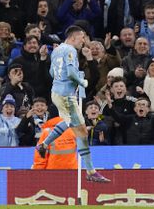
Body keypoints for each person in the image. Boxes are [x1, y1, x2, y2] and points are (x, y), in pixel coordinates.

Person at [36, 25, 110, 182]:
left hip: (57, 93)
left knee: (70, 124)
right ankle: (91, 172)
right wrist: (82, 81)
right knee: (82, 132)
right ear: (74, 37)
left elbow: (51, 73)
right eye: (82, 38)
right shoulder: (70, 50)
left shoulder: (56, 50)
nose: (83, 41)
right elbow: (70, 73)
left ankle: (43, 145)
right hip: (66, 96)